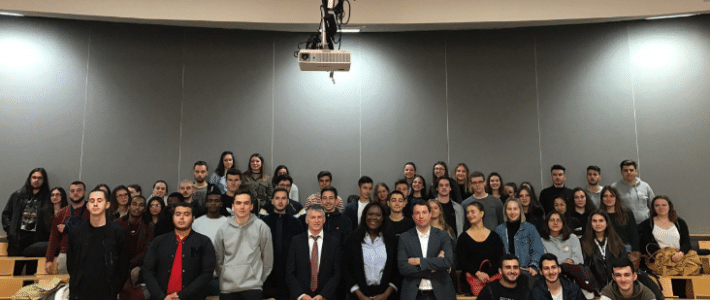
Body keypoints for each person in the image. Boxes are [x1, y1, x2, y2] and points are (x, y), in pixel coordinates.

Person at [143, 202, 216, 300]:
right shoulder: (158, 241)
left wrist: (181, 296)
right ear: (173, 217)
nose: (181, 218)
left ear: (193, 218)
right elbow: (148, 270)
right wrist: (161, 296)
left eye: (186, 214)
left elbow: (207, 273)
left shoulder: (204, 242)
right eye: (178, 214)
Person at [67, 188, 129, 300]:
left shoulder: (117, 232)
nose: (95, 204)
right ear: (87, 206)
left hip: (108, 290)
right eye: (92, 201)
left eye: (99, 200)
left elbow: (123, 264)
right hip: (81, 290)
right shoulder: (76, 232)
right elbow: (71, 263)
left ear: (107, 204)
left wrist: (116, 286)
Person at [214, 189, 273, 299]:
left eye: (246, 203)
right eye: (238, 203)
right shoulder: (222, 230)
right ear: (233, 206)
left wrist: (258, 280)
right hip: (228, 289)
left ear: (251, 206)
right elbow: (218, 261)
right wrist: (225, 277)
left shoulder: (262, 227)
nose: (242, 207)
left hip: (253, 288)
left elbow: (267, 261)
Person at [397, 200, 455, 300]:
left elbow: (447, 262)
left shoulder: (443, 235)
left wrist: (419, 261)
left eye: (424, 212)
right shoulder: (404, 237)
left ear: (430, 214)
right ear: (412, 216)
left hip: (441, 293)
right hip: (414, 295)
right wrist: (433, 268)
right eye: (417, 213)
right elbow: (403, 267)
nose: (421, 216)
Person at [344, 202, 399, 300]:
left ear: (383, 218)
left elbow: (396, 270)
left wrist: (385, 295)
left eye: (378, 215)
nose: (374, 218)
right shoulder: (352, 239)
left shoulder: (392, 240)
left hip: (386, 295)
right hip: (358, 296)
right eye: (370, 214)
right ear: (364, 216)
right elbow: (347, 270)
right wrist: (361, 296)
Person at [286, 204, 342, 300]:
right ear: (306, 220)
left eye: (319, 217)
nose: (316, 221)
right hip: (301, 297)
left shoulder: (334, 242)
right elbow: (289, 273)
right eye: (313, 217)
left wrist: (323, 295)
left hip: (326, 297)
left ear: (324, 220)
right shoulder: (296, 241)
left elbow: (337, 274)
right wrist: (301, 295)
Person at [3, 168, 50, 275]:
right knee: (13, 273)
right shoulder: (17, 196)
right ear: (29, 179)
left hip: (36, 241)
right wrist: (11, 232)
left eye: (40, 178)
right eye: (34, 177)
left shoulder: (47, 198)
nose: (36, 180)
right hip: (17, 240)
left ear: (44, 180)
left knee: (31, 275)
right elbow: (6, 214)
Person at [262, 187, 306, 300]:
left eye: (283, 198)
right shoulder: (263, 223)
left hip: (290, 276)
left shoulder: (296, 223)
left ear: (288, 201)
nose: (280, 201)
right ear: (272, 201)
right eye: (277, 198)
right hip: (268, 276)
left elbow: (302, 251)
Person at [457, 202, 504, 296]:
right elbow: (461, 261)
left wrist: (487, 275)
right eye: (468, 212)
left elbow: (499, 259)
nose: (469, 215)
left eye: (473, 212)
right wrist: (478, 273)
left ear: (482, 213)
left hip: (492, 280)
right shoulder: (463, 237)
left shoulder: (494, 236)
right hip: (470, 282)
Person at [45, 181, 89, 275]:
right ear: (69, 193)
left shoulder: (92, 210)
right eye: (72, 191)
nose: (75, 193)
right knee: (65, 285)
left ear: (85, 192)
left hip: (88, 253)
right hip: (65, 254)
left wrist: (69, 228)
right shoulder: (61, 213)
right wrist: (49, 259)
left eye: (79, 190)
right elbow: (53, 238)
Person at [115, 195, 155, 299]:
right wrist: (123, 264)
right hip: (120, 263)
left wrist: (129, 264)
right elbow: (114, 248)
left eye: (141, 205)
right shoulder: (118, 223)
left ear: (145, 209)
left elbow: (147, 251)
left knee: (135, 273)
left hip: (139, 265)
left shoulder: (149, 226)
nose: (137, 208)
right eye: (134, 204)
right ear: (128, 206)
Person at [495, 198, 544, 276]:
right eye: (509, 209)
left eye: (515, 209)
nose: (512, 212)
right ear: (505, 211)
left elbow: (538, 250)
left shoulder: (530, 228)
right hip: (506, 272)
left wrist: (533, 266)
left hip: (526, 271)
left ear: (520, 211)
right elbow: (497, 253)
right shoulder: (499, 229)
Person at [580, 210, 628, 292]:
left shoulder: (616, 241)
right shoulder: (583, 243)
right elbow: (584, 268)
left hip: (617, 285)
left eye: (601, 220)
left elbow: (624, 263)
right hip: (595, 288)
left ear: (607, 223)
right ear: (590, 224)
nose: (598, 224)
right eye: (594, 221)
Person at [638, 195, 691, 263]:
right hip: (657, 260)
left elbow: (686, 243)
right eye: (657, 205)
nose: (661, 207)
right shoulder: (647, 224)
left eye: (664, 205)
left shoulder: (680, 223)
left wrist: (681, 253)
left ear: (669, 206)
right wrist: (665, 253)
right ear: (653, 208)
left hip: (679, 258)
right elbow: (647, 244)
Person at [611, 160, 655, 224]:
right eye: (625, 170)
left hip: (645, 223)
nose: (629, 172)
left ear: (636, 171)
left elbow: (653, 205)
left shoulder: (645, 186)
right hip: (625, 224)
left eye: (631, 170)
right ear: (621, 172)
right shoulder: (614, 187)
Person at [600, 186, 639, 252]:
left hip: (625, 248)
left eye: (611, 196)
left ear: (616, 198)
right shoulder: (598, 215)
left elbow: (634, 235)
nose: (608, 198)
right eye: (605, 196)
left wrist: (636, 252)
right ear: (602, 199)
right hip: (605, 249)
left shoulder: (627, 213)